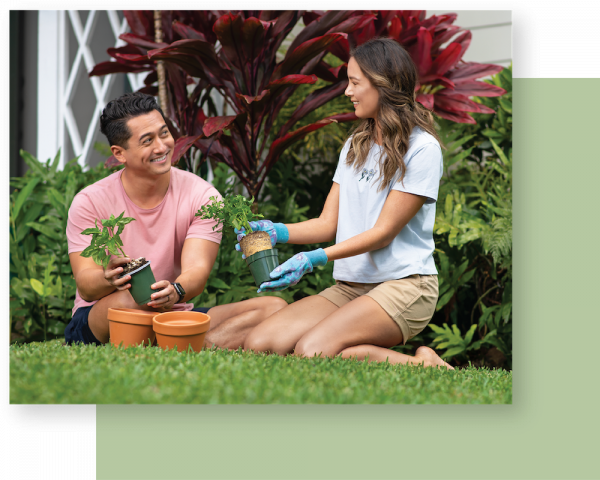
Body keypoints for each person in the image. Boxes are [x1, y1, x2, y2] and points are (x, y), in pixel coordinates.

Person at [237, 38, 453, 370]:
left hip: (405, 286)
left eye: (355, 83)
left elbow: (382, 234)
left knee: (313, 350)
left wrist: (314, 258)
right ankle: (355, 344)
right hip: (351, 287)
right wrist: (275, 232)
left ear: (384, 85)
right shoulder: (356, 144)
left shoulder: (422, 149)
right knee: (260, 343)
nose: (347, 92)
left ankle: (426, 365)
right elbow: (327, 223)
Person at [65, 92, 287, 348]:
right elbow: (86, 286)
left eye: (164, 133)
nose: (161, 147)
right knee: (133, 300)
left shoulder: (202, 196)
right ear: (119, 153)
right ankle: (184, 341)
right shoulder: (90, 201)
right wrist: (108, 277)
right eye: (147, 140)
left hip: (172, 313)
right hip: (104, 317)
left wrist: (177, 291)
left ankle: (199, 343)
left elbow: (196, 272)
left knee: (274, 307)